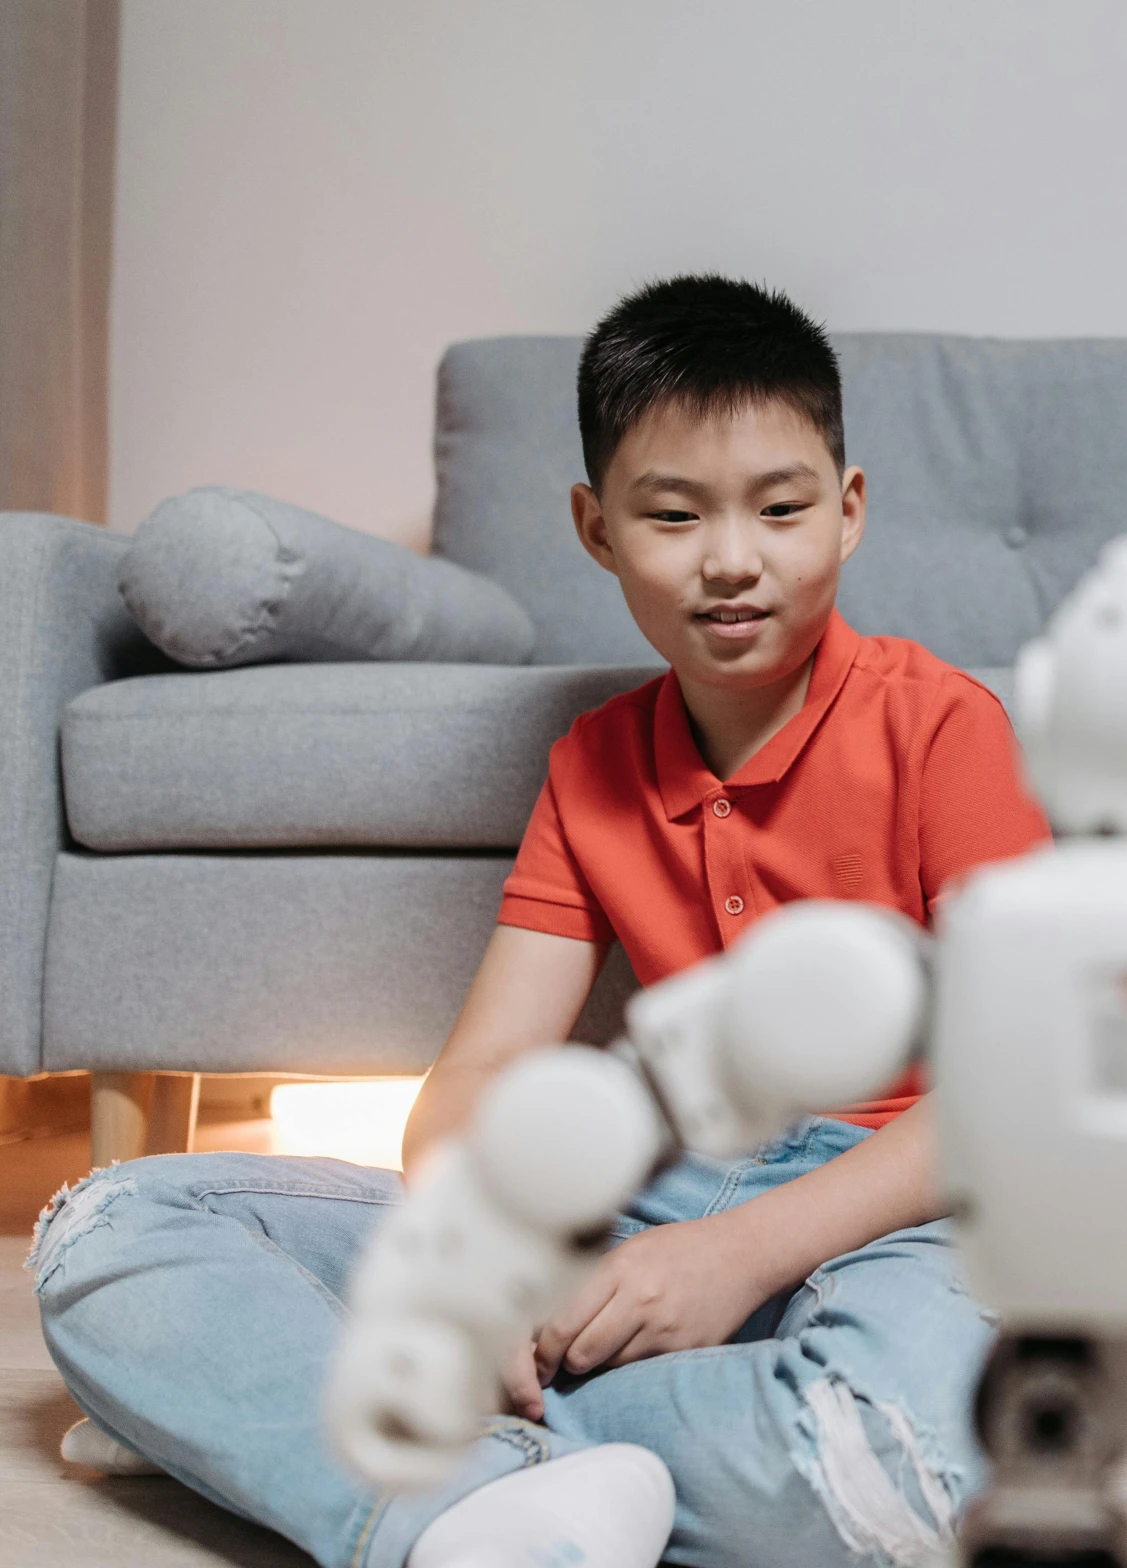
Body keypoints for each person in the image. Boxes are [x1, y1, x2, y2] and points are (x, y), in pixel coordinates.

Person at [31, 275, 1052, 1568]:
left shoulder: (947, 728)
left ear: (848, 515)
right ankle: (456, 1483)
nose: (732, 558)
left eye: (781, 508)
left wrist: (733, 1257)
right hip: (646, 1194)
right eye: (673, 515)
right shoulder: (593, 765)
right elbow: (482, 1074)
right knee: (108, 1230)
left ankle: (294, 1422)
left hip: (898, 1209)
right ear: (596, 528)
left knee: (893, 1459)